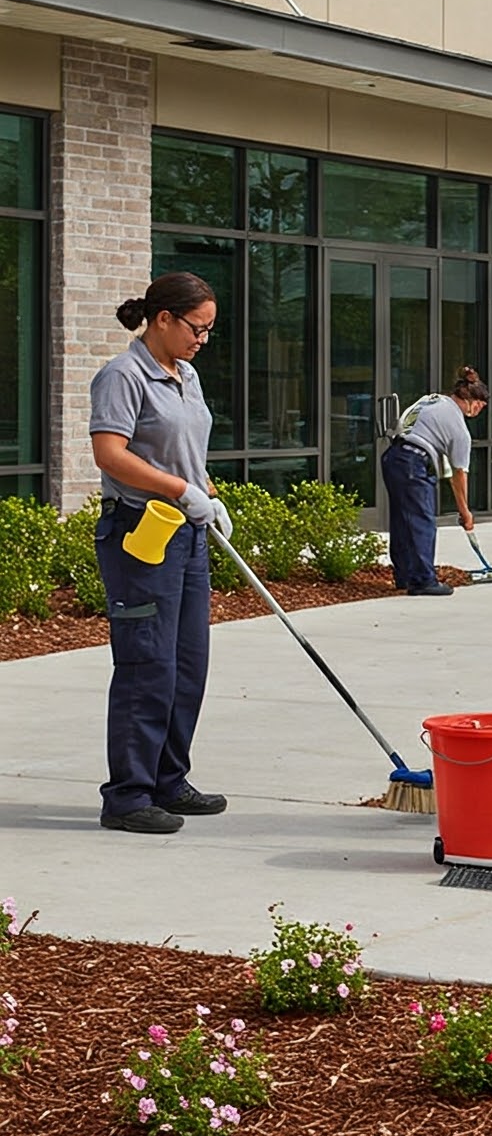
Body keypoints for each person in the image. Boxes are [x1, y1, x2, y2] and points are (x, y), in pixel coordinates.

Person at [88, 271, 233, 835]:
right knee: (148, 664)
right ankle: (128, 795)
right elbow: (109, 454)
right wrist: (180, 490)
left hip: (188, 532)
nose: (202, 339)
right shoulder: (123, 376)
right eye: (197, 327)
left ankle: (169, 780)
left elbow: (186, 452)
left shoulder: (186, 375)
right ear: (164, 319)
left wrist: (210, 497)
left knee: (188, 664)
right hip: (139, 532)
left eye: (209, 330)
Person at [380, 367, 488, 596]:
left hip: (394, 455)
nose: (480, 411)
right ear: (474, 402)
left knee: (402, 520)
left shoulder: (433, 400)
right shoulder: (460, 430)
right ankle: (422, 581)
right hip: (413, 463)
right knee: (421, 522)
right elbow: (459, 477)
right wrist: (465, 513)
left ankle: (405, 576)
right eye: (481, 406)